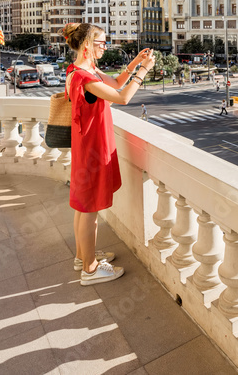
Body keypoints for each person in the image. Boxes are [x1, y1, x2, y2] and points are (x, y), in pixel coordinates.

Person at [62, 22, 156, 286]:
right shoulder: (84, 77)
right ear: (87, 45)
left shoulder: (80, 70)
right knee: (89, 208)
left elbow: (115, 82)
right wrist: (145, 71)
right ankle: (90, 270)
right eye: (102, 43)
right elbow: (123, 97)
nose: (105, 46)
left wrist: (136, 62)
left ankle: (84, 257)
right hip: (92, 148)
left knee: (83, 206)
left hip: (86, 145)